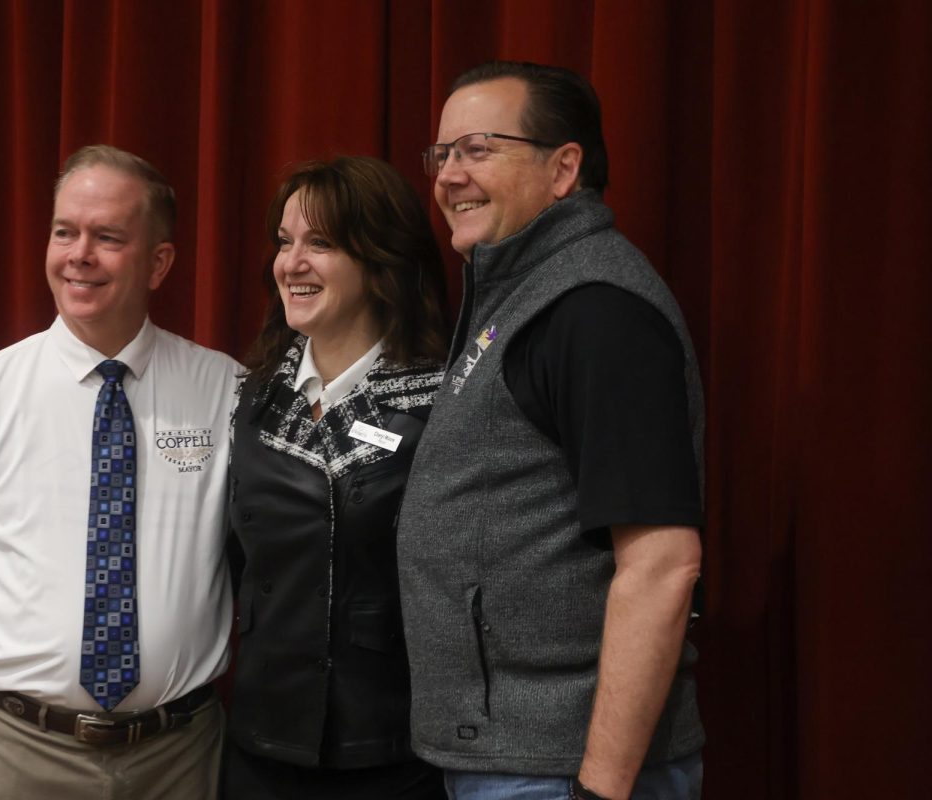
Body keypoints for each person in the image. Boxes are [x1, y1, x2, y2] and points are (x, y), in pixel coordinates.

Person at [0, 144, 239, 800]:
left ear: (159, 262)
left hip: (181, 759)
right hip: (13, 753)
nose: (79, 254)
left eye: (107, 237)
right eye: (64, 232)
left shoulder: (227, 392)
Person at [397, 62, 706, 800]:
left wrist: (600, 789)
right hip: (515, 759)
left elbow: (662, 565)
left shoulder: (596, 310)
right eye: (441, 155)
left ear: (564, 167)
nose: (449, 176)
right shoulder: (518, 290)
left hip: (564, 771)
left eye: (477, 149)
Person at [224, 156, 450, 799]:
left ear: (381, 262)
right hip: (262, 747)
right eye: (285, 242)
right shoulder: (251, 395)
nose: (291, 263)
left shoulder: (445, 398)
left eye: (320, 243)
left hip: (395, 752)